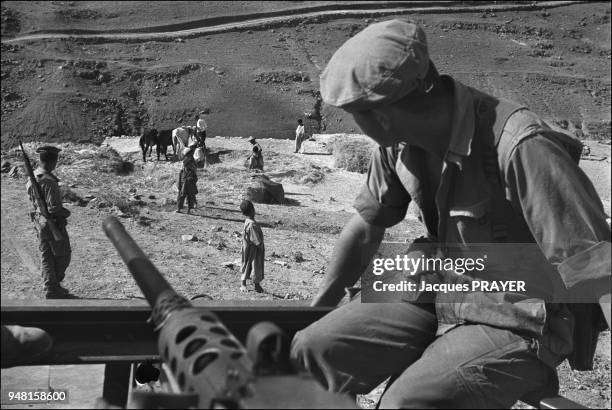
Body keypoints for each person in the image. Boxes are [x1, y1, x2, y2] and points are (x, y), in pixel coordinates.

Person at [290, 19, 611, 408]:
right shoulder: (398, 145)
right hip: (438, 286)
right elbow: (366, 225)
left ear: (381, 116)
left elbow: (596, 268)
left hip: (518, 312)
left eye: (354, 114)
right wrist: (318, 310)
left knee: (406, 403)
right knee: (313, 348)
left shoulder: (521, 147)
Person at [26, 145, 72, 299]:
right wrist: (66, 213)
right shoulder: (49, 181)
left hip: (39, 221)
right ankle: (52, 285)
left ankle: (51, 286)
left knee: (47, 254)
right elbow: (54, 208)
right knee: (63, 255)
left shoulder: (32, 177)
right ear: (54, 161)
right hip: (52, 223)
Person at [240, 199, 264, 293]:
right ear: (252, 210)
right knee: (252, 266)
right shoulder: (252, 224)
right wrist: (260, 245)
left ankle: (256, 285)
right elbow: (255, 239)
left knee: (251, 266)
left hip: (248, 248)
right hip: (253, 250)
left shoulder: (248, 221)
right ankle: (243, 284)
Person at [176, 143, 198, 214]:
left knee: (187, 195)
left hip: (188, 180)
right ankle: (181, 209)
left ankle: (187, 209)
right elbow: (181, 172)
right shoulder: (187, 162)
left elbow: (194, 173)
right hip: (186, 180)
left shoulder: (190, 162)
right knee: (185, 195)